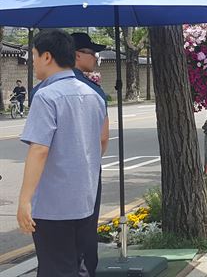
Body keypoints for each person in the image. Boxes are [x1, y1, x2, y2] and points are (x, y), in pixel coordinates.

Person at [16, 29, 108, 277]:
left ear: (47, 56)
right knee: (78, 267)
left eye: (33, 55)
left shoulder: (46, 96)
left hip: (52, 205)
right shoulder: (94, 95)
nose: (32, 61)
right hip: (85, 200)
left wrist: (25, 200)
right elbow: (102, 140)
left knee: (54, 268)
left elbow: (39, 150)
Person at [71, 32, 109, 277]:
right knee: (85, 229)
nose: (95, 57)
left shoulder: (42, 90)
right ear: (76, 55)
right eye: (91, 52)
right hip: (86, 172)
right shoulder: (93, 91)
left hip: (52, 178)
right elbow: (102, 138)